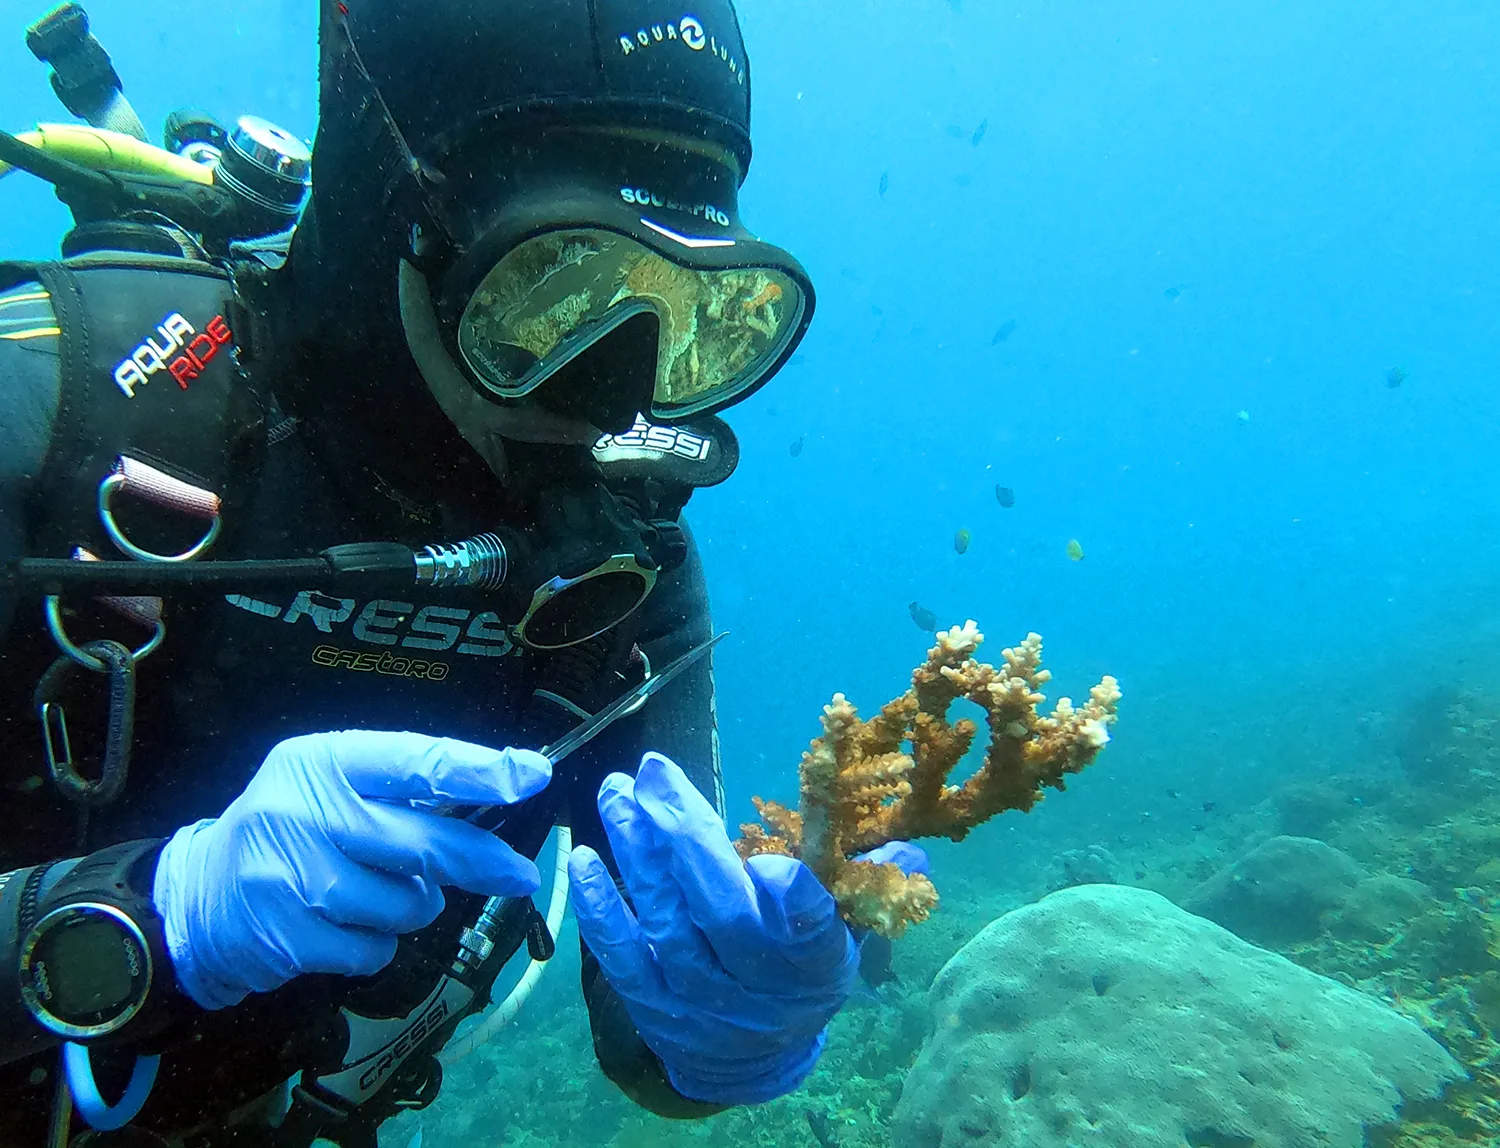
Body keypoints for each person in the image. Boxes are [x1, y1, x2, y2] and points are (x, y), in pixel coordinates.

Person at [0, 1, 920, 1143]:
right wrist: (154, 914)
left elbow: (645, 1045)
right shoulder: (51, 406)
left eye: (699, 323)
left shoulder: (622, 583)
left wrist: (734, 1030)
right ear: (395, 215)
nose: (615, 401)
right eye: (551, 294)